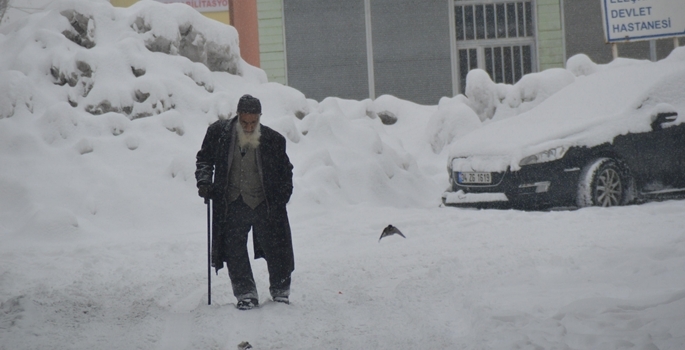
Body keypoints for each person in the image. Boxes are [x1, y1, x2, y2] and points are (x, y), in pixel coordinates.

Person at [195, 94, 294, 310]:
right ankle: (246, 293)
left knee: (276, 247)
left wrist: (280, 199)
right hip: (232, 202)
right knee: (233, 249)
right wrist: (204, 182)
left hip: (263, 202)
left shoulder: (273, 140)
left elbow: (286, 172)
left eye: (253, 122)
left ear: (260, 117)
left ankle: (280, 291)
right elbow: (204, 159)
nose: (249, 127)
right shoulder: (219, 134)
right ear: (238, 116)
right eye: (244, 122)